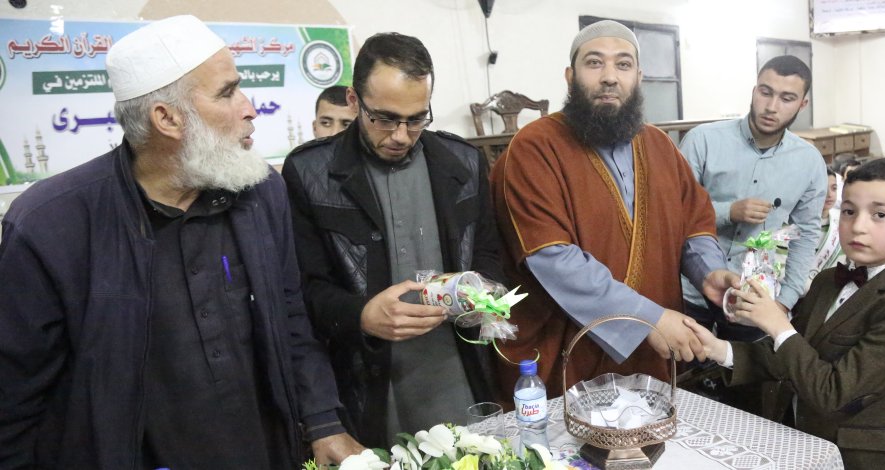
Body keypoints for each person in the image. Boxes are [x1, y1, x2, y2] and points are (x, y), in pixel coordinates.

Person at [0, 15, 362, 469]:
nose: (250, 109)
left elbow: (290, 318)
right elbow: (14, 403)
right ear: (167, 118)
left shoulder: (261, 193)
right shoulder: (50, 225)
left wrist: (324, 421)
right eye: (227, 93)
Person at [489, 20, 738, 402]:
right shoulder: (533, 148)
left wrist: (708, 272)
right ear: (570, 76)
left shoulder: (660, 146)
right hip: (566, 352)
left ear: (638, 77)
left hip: (654, 350)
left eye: (623, 64)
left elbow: (693, 222)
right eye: (594, 63)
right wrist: (647, 318)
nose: (609, 76)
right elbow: (554, 260)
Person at [282, 32, 502, 447]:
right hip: (368, 381)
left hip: (458, 369)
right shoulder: (310, 173)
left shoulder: (464, 163)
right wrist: (362, 315)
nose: (401, 135)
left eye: (416, 119)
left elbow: (489, 253)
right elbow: (303, 289)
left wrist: (484, 292)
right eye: (384, 118)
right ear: (354, 101)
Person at [686, 157, 885, 470]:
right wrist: (719, 348)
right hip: (799, 436)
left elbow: (834, 393)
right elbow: (788, 355)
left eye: (880, 215)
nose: (858, 226)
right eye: (849, 211)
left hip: (859, 455)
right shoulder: (827, 280)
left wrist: (778, 325)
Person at [679, 55, 827, 342]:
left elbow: (806, 234)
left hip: (754, 296)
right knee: (682, 366)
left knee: (746, 369)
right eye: (766, 92)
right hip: (689, 289)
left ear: (802, 104)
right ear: (754, 90)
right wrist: (728, 211)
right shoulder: (703, 140)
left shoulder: (809, 161)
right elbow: (673, 213)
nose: (772, 106)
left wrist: (784, 301)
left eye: (787, 98)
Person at [803, 168, 844, 293]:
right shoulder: (790, 226)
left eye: (834, 188)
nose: (829, 194)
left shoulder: (842, 221)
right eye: (822, 188)